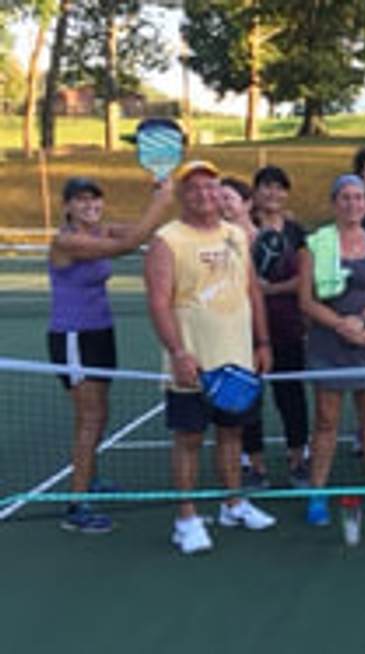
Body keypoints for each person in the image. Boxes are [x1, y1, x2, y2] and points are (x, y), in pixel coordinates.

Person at [145, 160, 276, 555]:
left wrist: (263, 342)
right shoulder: (166, 240)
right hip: (193, 363)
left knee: (232, 433)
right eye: (195, 188)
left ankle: (232, 502)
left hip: (238, 358)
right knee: (188, 438)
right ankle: (185, 519)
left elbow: (252, 290)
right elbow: (158, 303)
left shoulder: (236, 234)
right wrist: (178, 352)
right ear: (183, 195)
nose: (205, 194)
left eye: (212, 187)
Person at [47, 176, 173, 533]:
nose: (91, 206)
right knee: (88, 418)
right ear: (67, 206)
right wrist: (161, 204)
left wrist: (157, 197)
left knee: (100, 414)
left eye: (96, 200)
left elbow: (142, 233)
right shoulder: (66, 241)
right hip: (73, 337)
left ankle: (91, 478)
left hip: (101, 333)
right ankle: (76, 504)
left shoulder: (103, 230)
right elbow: (129, 244)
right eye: (82, 201)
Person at [298, 174, 365, 525]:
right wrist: (342, 325)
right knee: (326, 422)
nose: (353, 204)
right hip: (329, 345)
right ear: (334, 203)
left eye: (358, 198)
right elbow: (306, 301)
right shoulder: (316, 245)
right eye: (345, 198)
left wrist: (364, 318)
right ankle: (317, 494)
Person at [239, 165, 310, 489]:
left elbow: (305, 279)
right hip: (246, 329)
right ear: (254, 193)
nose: (272, 193)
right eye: (266, 187)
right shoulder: (239, 230)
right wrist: (254, 291)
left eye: (279, 188)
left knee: (291, 396)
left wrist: (271, 290)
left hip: (287, 326)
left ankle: (298, 460)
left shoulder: (296, 232)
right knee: (249, 399)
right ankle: (255, 465)